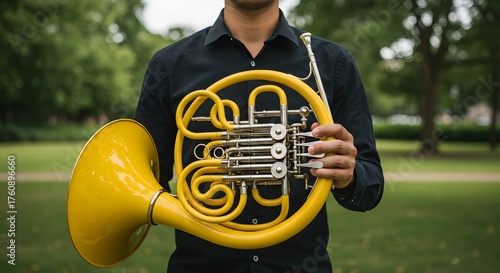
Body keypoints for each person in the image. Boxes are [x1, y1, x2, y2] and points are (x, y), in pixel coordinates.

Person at [134, 0, 384, 272]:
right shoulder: (168, 65)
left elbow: (370, 188)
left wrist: (350, 176)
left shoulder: (333, 63)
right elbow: (143, 183)